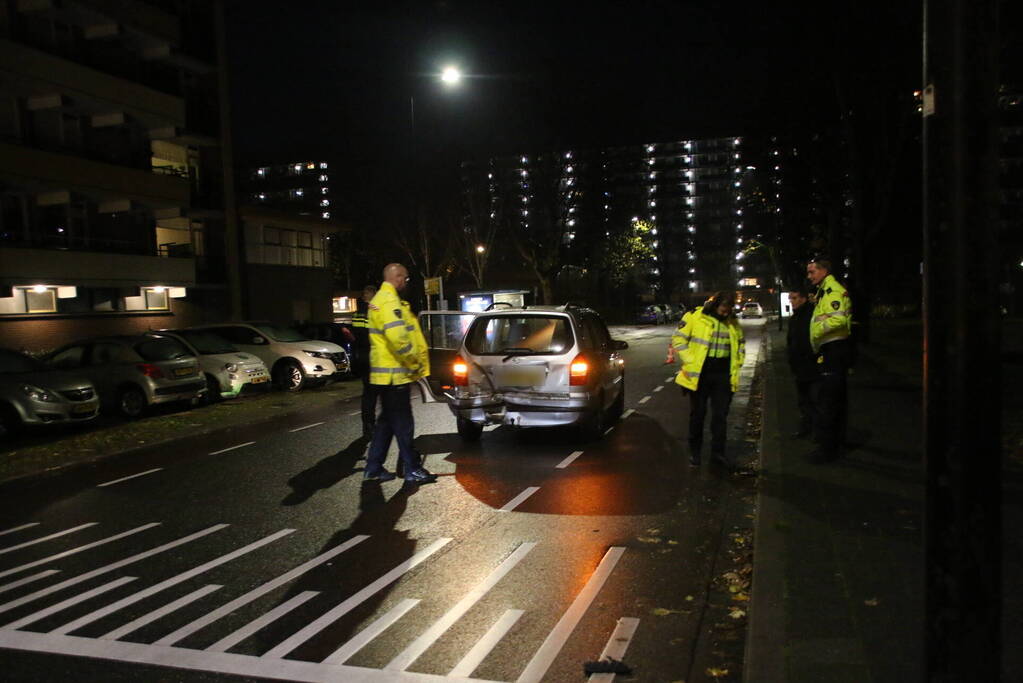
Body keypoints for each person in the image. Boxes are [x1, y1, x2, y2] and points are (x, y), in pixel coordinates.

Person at [363, 263, 437, 484]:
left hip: (387, 376)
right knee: (404, 425)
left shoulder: (384, 300)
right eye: (405, 278)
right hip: (395, 375)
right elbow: (399, 340)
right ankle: (412, 469)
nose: (406, 282)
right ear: (397, 277)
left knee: (386, 423)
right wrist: (414, 363)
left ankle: (373, 467)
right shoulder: (389, 301)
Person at [669, 290, 746, 470]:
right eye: (723, 307)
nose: (726, 311)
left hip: (723, 376)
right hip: (701, 375)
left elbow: (740, 344)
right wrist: (691, 360)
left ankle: (718, 453)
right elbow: (678, 339)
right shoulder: (695, 316)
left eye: (729, 308)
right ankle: (695, 453)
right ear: (715, 304)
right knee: (698, 415)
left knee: (720, 416)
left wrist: (739, 361)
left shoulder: (732, 322)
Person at [806, 258, 853, 463]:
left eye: (812, 272)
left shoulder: (831, 291)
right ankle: (835, 445)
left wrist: (817, 331)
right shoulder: (824, 291)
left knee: (828, 401)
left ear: (824, 271)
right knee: (834, 399)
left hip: (833, 349)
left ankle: (828, 450)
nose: (809, 276)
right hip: (834, 349)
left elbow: (838, 320)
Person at [786, 287, 818, 438]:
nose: (791, 301)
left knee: (814, 398)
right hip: (799, 365)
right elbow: (792, 340)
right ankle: (807, 426)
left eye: (794, 298)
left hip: (811, 364)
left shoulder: (811, 315)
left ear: (803, 299)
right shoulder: (795, 317)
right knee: (803, 399)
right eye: (790, 298)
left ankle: (816, 429)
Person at [351, 284, 379, 439]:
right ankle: (374, 426)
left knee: (368, 393)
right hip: (373, 357)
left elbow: (356, 335)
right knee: (376, 394)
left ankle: (367, 426)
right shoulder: (374, 311)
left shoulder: (357, 313)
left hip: (362, 357)